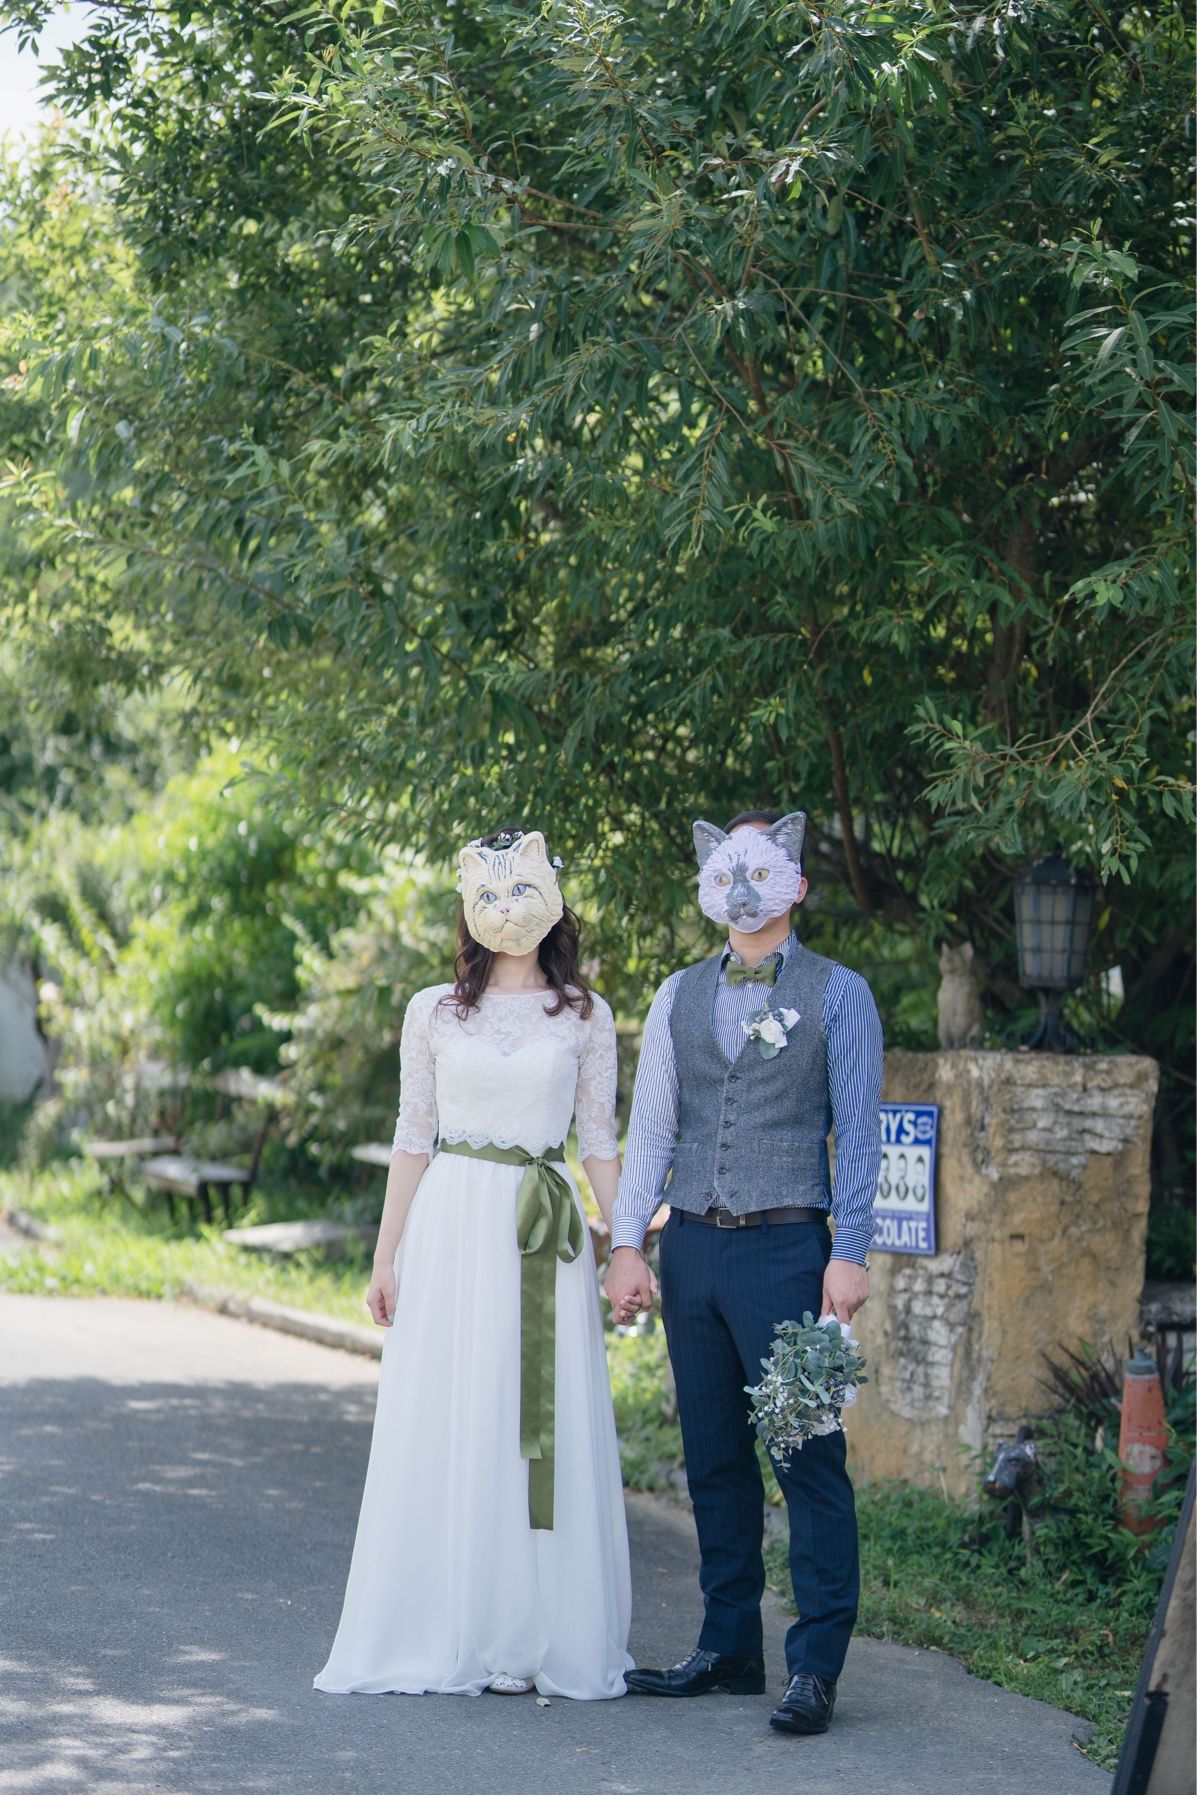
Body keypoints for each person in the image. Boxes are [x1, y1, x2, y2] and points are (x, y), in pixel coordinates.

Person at [314, 828, 632, 1701]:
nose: (505, 909)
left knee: (534, 1418)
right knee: (454, 1411)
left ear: (551, 903)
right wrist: (385, 1257)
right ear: (468, 907)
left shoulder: (586, 1015)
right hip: (451, 1224)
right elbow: (412, 1137)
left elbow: (599, 1144)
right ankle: (449, 1620)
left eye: (520, 891)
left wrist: (629, 1244)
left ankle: (532, 1628)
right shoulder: (433, 1011)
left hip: (541, 1225)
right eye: (488, 895)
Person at [605, 808, 883, 1737]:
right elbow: (651, 1128)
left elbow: (860, 1135)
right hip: (692, 1246)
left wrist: (848, 1252)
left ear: (794, 881)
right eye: (725, 867)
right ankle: (727, 1648)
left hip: (785, 1251)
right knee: (715, 1460)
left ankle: (814, 1667)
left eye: (758, 867)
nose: (740, 885)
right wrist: (626, 1243)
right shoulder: (676, 993)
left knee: (807, 1459)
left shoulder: (839, 993)